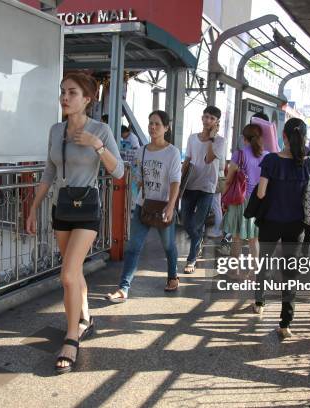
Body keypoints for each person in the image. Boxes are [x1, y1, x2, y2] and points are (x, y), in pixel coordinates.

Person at [26, 72, 124, 374]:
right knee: (74, 270)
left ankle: (71, 337)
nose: (65, 98)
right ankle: (85, 317)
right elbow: (47, 174)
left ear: (87, 99)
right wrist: (32, 209)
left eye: (72, 92)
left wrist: (97, 145)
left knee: (67, 275)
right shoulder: (56, 131)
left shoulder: (101, 130)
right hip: (62, 209)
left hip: (88, 210)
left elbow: (118, 171)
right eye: (62, 92)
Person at [105, 111, 181, 301]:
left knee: (169, 245)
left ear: (166, 128)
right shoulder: (142, 151)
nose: (152, 127)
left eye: (157, 124)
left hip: (164, 205)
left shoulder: (172, 152)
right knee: (133, 247)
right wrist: (138, 186)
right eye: (150, 123)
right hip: (143, 204)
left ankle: (172, 276)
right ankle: (123, 288)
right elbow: (138, 178)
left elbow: (175, 182)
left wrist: (171, 206)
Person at [254, 118, 309, 338]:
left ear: (283, 136)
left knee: (265, 262)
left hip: (270, 221)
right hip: (295, 224)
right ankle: (285, 323)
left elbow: (260, 193)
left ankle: (260, 302)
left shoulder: (271, 160)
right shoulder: (307, 162)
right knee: (290, 273)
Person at [181, 106, 226, 274]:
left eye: (212, 118)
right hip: (189, 185)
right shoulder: (192, 138)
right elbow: (187, 160)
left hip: (207, 188)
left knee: (198, 224)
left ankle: (191, 259)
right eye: (206, 117)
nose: (208, 120)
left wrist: (212, 138)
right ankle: (198, 241)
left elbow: (208, 159)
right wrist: (178, 181)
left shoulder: (220, 141)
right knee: (186, 222)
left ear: (217, 122)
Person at [222, 124, 267, 265]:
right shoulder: (267, 156)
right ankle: (254, 272)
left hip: (240, 200)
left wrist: (223, 199)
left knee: (237, 237)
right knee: (254, 239)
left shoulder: (239, 154)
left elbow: (228, 180)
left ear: (244, 137)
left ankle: (234, 270)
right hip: (259, 201)